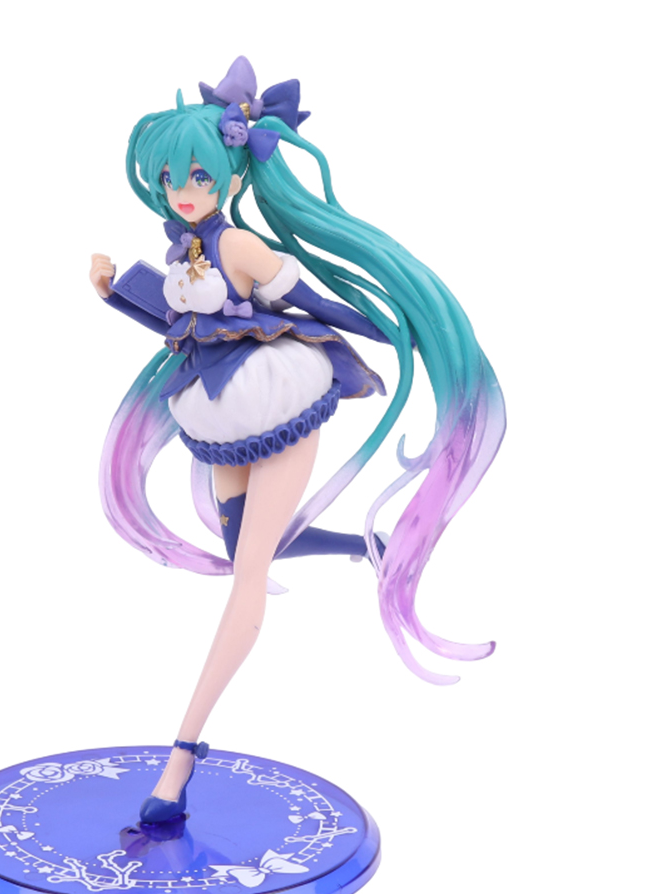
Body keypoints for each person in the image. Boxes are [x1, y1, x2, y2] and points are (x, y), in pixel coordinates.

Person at [89, 58, 506, 824]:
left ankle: (179, 759)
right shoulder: (183, 249)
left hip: (273, 399)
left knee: (247, 576)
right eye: (172, 179)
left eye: (200, 177)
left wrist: (396, 327)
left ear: (227, 176)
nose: (185, 192)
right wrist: (117, 293)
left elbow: (312, 300)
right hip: (216, 412)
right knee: (248, 546)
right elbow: (183, 328)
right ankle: (362, 547)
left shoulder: (240, 247)